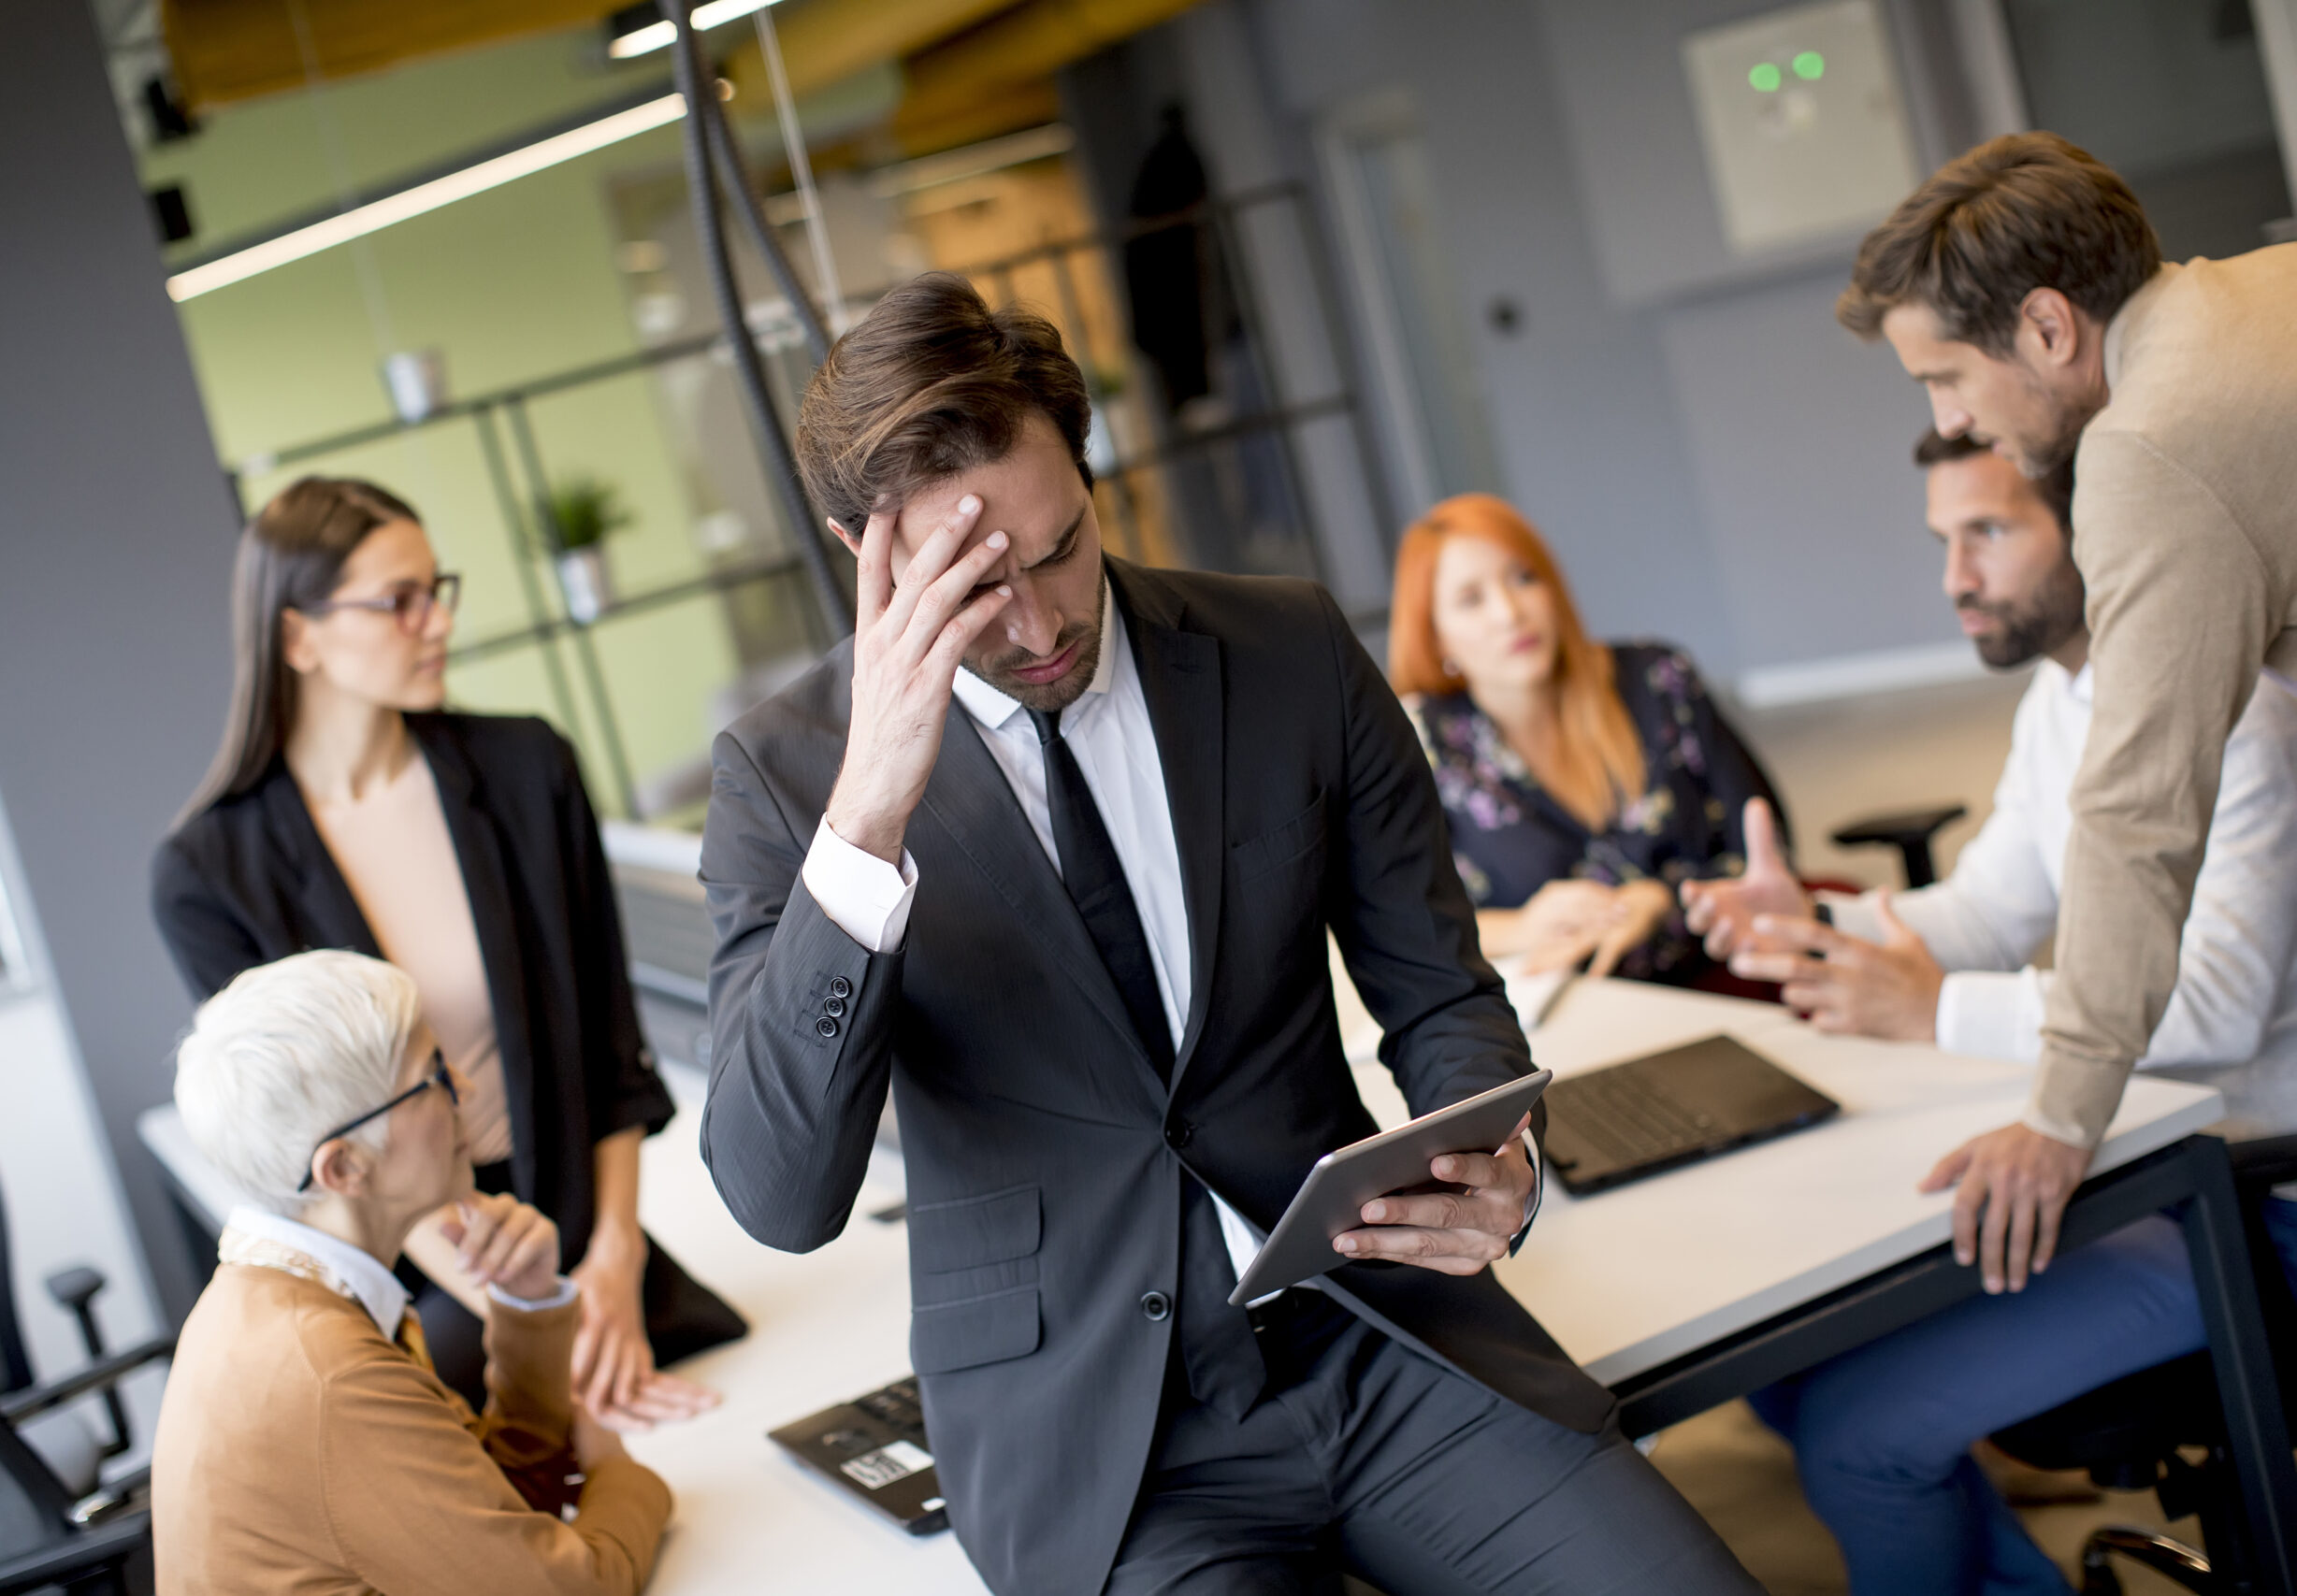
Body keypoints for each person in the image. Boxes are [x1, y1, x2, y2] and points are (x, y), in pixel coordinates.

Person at [699, 273, 1761, 1596]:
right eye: (973, 592)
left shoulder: (1288, 650)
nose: (1036, 626)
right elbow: (776, 1193)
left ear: (1092, 485)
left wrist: (1502, 1148)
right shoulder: (787, 774)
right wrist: (870, 808)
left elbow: (1437, 995)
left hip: (1376, 1341)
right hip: (1107, 1450)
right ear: (866, 560)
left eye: (1059, 549)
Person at [1682, 431, 2297, 1596]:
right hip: (2148, 1163)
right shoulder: (2068, 700)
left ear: (2098, 527)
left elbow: (2213, 1007)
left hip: (2251, 1209)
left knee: (1856, 1438)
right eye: (1943, 540)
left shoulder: (2238, 716)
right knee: (1788, 1369)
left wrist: (1936, 1011)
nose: (1955, 575)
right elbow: (1987, 909)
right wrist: (1819, 926)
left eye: (1989, 531)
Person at [151, 476, 737, 1427]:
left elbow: (608, 1043)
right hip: (425, 1275)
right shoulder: (209, 872)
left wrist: (612, 1260)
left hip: (588, 1236)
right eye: (397, 601)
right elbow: (320, 1141)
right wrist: (529, 1312)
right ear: (297, 637)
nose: (436, 624)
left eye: (438, 589)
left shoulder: (524, 769)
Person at [1831, 131, 2297, 1297]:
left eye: (1945, 377)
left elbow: (2135, 815)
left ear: (2046, 327)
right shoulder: (2256, 291)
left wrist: (2059, 1115)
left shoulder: (2149, 447)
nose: (1953, 415)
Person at [152, 949, 672, 1595]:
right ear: (342, 1169)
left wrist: (528, 1303)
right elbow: (570, 1587)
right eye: (434, 1079)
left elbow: (497, 1502)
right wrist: (621, 1473)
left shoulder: (283, 1291)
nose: (470, 1088)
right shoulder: (327, 1371)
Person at [1390, 492, 1777, 983]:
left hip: (1715, 973)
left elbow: (1767, 850)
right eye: (1471, 600)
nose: (1510, 613)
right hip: (1564, 1007)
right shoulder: (1418, 738)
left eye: (1523, 578)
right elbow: (1399, 927)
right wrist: (1522, 926)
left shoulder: (1659, 679)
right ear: (1436, 636)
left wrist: (1662, 900)